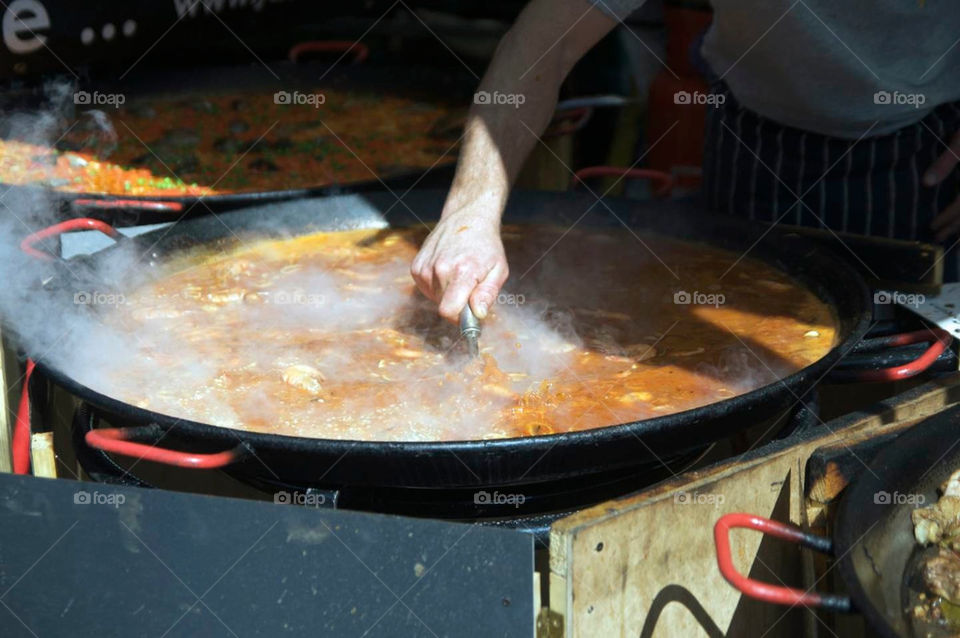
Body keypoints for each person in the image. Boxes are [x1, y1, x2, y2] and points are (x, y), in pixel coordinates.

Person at [410, 0, 960, 321]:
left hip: (920, 159)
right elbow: (541, 42)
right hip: (752, 144)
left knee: (903, 406)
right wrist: (470, 211)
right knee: (742, 390)